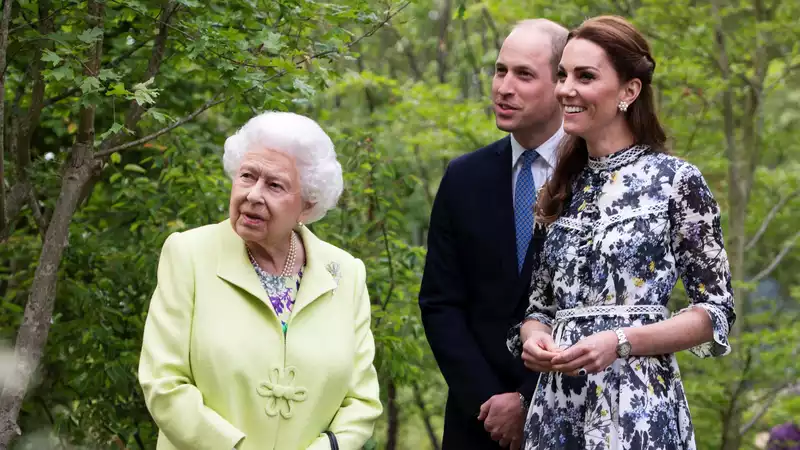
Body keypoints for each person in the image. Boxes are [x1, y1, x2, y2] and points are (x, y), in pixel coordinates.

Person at [507, 15, 736, 449]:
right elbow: (537, 308)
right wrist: (535, 339)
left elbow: (715, 313)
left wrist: (622, 341)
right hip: (557, 411)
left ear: (629, 91)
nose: (565, 90)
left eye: (585, 76)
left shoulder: (676, 181)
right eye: (562, 75)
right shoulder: (558, 187)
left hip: (638, 408)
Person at [138, 112, 382, 450]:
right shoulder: (189, 254)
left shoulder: (345, 273)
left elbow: (362, 400)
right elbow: (164, 384)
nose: (253, 194)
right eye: (247, 176)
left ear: (307, 206)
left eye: (274, 185)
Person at [419, 19, 569, 449]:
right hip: (476, 422)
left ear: (562, 84)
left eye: (524, 75)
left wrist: (526, 399)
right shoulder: (463, 177)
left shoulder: (594, 182)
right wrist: (491, 402)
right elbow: (440, 302)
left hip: (569, 415)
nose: (504, 87)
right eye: (500, 71)